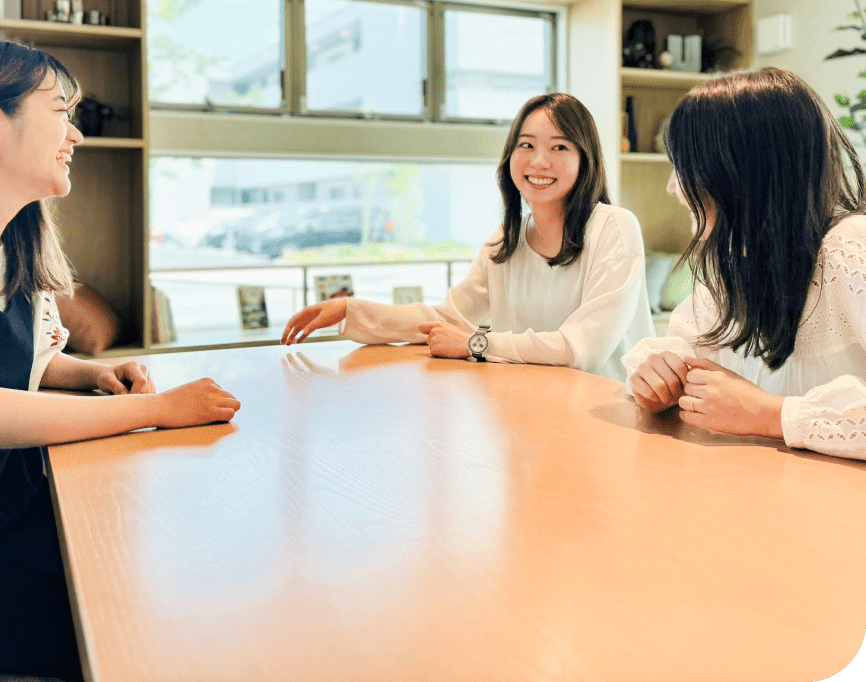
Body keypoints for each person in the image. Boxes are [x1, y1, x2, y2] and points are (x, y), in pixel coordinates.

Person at [0, 39, 241, 682]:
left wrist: (90, 374)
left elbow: (37, 360)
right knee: (158, 624)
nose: (75, 135)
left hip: (22, 515)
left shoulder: (17, 248)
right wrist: (154, 410)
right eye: (61, 112)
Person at [283, 93, 654, 379]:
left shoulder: (614, 227)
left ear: (584, 158)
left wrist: (477, 344)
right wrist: (351, 309)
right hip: (535, 408)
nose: (539, 161)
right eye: (526, 145)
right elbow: (447, 318)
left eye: (559, 147)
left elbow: (583, 347)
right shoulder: (504, 242)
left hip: (609, 417)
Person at [624, 67, 866, 461]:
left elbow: (755, 410)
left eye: (684, 168)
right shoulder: (734, 262)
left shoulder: (851, 249)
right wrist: (661, 374)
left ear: (741, 172)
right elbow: (686, 343)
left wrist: (773, 414)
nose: (672, 187)